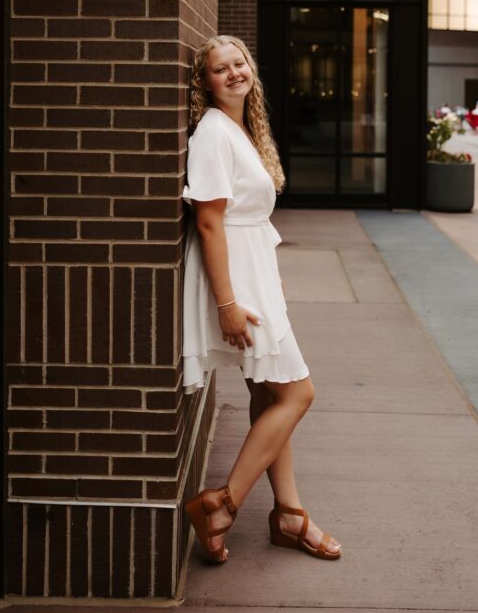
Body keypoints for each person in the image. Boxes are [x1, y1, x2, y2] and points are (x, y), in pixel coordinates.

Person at [181, 34, 341, 565]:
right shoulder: (212, 133)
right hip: (235, 282)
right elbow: (209, 222)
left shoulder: (241, 129)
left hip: (254, 273)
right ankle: (221, 504)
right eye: (219, 69)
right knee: (298, 393)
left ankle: (289, 516)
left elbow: (245, 222)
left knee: (268, 396)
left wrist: (268, 280)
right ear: (204, 83)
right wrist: (228, 304)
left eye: (240, 63)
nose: (233, 73)